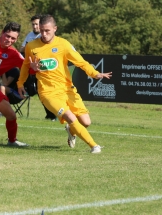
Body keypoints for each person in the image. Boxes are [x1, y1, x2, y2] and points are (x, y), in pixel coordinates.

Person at [17, 14, 112, 153]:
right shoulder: (31, 46)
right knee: (70, 117)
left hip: (67, 89)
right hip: (47, 93)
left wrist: (94, 73)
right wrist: (20, 83)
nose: (43, 34)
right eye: (42, 30)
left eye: (47, 30)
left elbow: (80, 61)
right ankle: (94, 146)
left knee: (86, 122)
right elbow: (26, 66)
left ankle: (71, 130)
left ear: (55, 28)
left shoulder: (64, 44)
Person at [20, 14, 56, 121]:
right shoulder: (30, 35)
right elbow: (22, 48)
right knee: (40, 93)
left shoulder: (45, 36)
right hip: (32, 69)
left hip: (45, 69)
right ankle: (50, 114)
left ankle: (53, 114)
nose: (35, 27)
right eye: (33, 24)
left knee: (46, 92)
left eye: (37, 24)